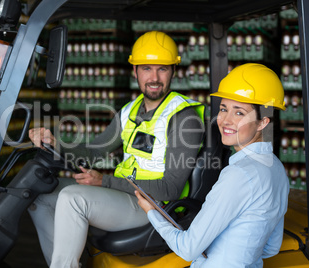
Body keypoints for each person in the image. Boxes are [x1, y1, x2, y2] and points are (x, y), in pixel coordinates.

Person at [28, 31, 205, 267]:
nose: (154, 77)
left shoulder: (184, 118)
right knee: (40, 193)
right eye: (146, 69)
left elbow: (171, 189)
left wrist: (105, 181)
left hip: (153, 206)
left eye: (162, 69)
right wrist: (55, 142)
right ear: (135, 71)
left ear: (173, 71)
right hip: (126, 194)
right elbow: (94, 152)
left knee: (73, 198)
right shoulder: (129, 111)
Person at [136, 63, 290, 267]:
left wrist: (152, 212)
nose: (225, 120)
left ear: (263, 123)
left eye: (239, 113)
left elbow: (187, 248)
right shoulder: (278, 170)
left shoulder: (238, 174)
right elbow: (271, 248)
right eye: (224, 109)